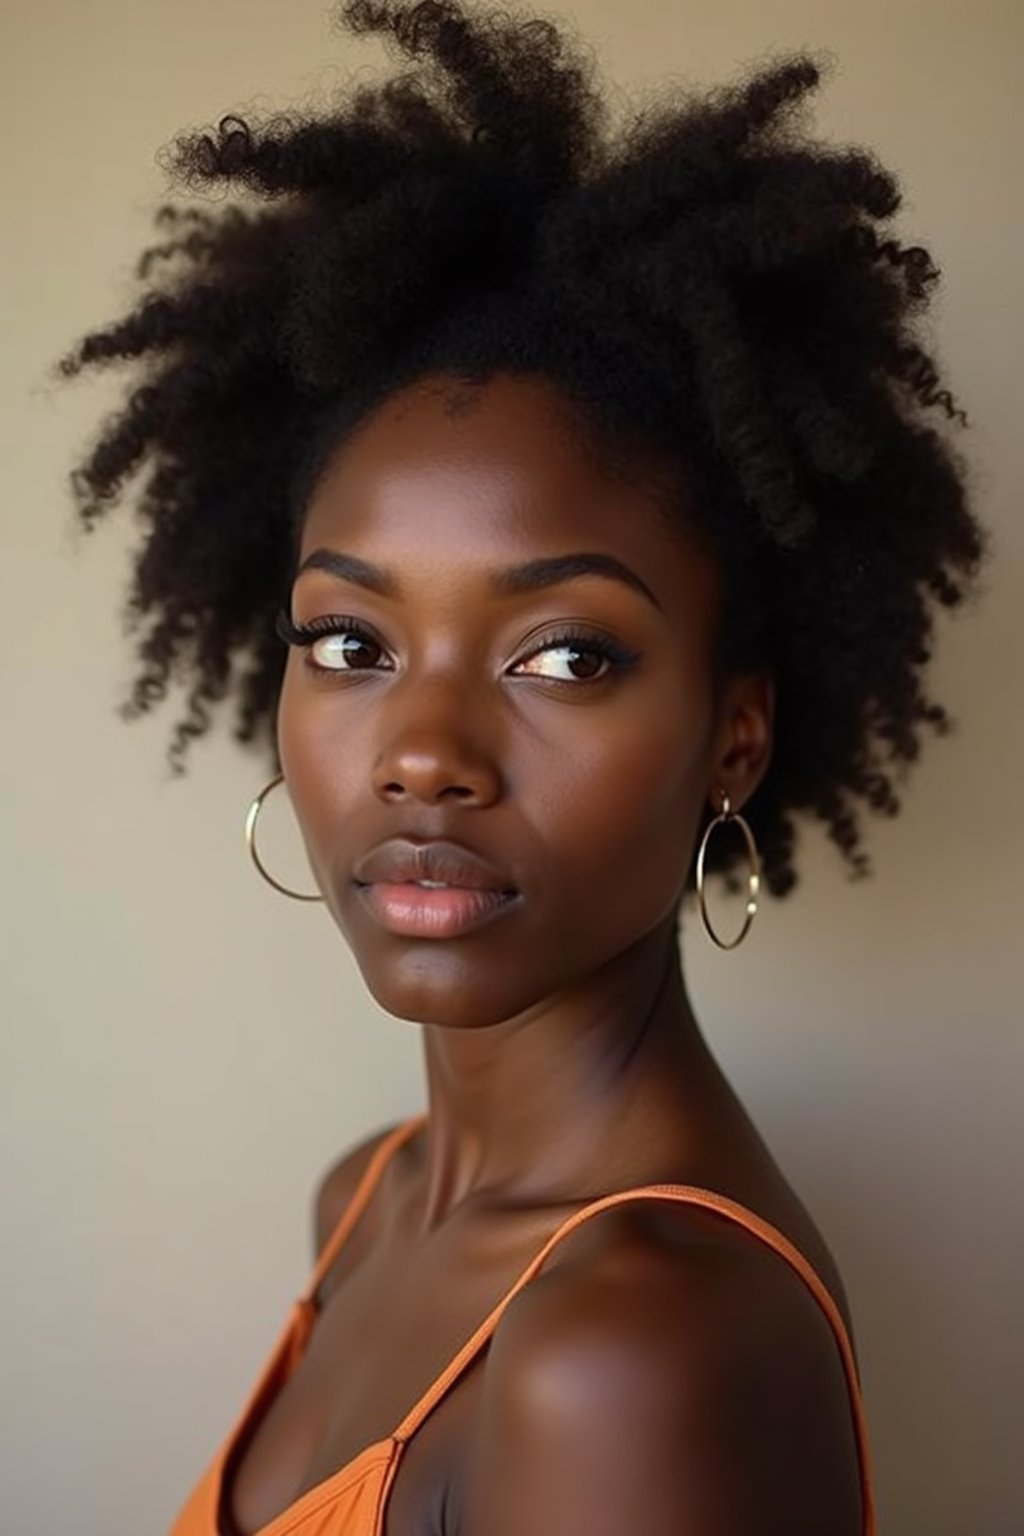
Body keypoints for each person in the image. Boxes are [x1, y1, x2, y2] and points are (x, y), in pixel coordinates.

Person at [60, 2, 989, 1532]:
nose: (422, 756)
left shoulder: (633, 1350)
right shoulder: (368, 1196)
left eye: (566, 656)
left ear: (733, 738)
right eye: (350, 644)